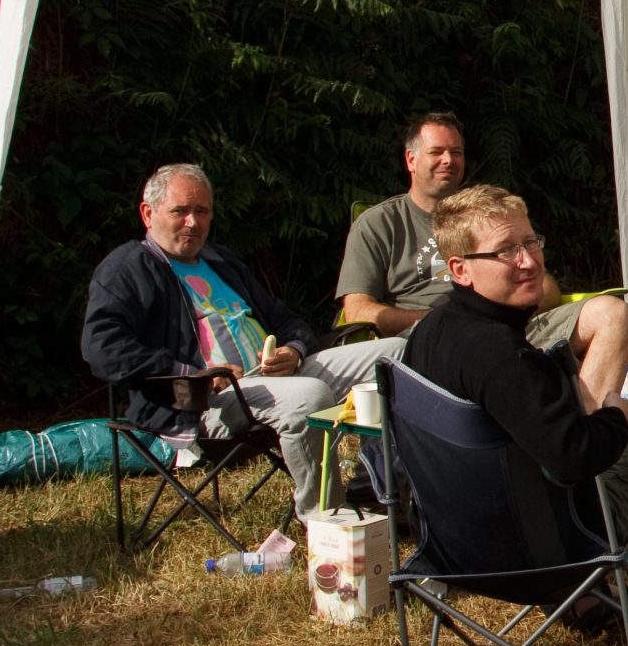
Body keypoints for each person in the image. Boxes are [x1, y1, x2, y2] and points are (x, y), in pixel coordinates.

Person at [84, 163, 401, 525]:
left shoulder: (220, 262)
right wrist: (193, 374)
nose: (192, 222)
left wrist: (293, 350)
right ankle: (327, 520)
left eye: (201, 211)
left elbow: (286, 320)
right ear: (148, 213)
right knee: (310, 395)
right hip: (203, 399)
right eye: (180, 211)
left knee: (395, 353)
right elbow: (102, 348)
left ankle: (377, 488)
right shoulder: (129, 268)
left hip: (274, 376)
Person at [399, 183, 628, 545]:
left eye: (530, 242)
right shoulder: (497, 354)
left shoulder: (428, 331)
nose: (528, 261)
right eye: (505, 251)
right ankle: (595, 575)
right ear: (460, 270)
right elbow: (574, 459)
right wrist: (618, 414)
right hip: (534, 548)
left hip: (446, 541)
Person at [336, 112, 628, 406]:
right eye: (437, 152)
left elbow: (545, 286)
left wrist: (514, 306)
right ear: (411, 160)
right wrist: (436, 321)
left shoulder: (487, 216)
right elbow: (358, 310)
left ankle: (591, 423)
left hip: (512, 326)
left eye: (456, 152)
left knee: (612, 314)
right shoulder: (380, 224)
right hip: (434, 343)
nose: (448, 160)